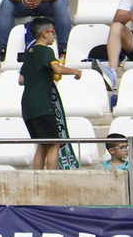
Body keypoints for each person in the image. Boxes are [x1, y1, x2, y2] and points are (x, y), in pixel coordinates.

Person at [21, 15, 86, 171]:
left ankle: (36, 178)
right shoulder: (46, 50)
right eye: (53, 32)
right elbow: (57, 69)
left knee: (42, 145)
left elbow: (21, 80)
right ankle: (51, 179)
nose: (54, 35)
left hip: (27, 106)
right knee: (53, 143)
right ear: (44, 33)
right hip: (43, 105)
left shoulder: (28, 53)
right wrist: (75, 71)